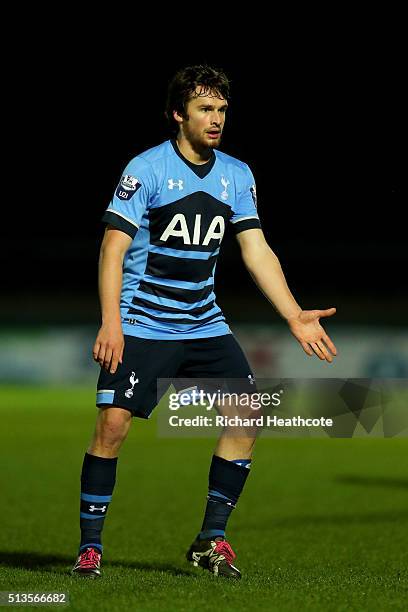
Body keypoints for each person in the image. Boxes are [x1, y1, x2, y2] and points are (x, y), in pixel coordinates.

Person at [72, 65, 337, 579]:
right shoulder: (145, 169)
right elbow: (112, 248)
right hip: (143, 323)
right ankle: (90, 546)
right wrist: (111, 322)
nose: (216, 120)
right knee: (112, 426)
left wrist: (293, 315)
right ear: (178, 114)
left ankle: (211, 539)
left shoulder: (237, 174)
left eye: (221, 110)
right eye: (204, 109)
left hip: (203, 322)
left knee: (247, 413)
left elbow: (255, 248)